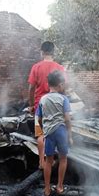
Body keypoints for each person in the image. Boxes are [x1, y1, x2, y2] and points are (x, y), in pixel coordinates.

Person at [28, 41, 65, 169]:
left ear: (42, 52)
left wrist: (32, 105)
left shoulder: (36, 67)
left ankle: (41, 162)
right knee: (56, 131)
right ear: (53, 52)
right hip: (56, 105)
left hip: (40, 104)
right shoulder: (60, 68)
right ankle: (56, 159)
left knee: (41, 134)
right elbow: (63, 88)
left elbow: (31, 88)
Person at [36, 70, 72, 196]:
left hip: (49, 133)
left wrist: (43, 129)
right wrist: (70, 135)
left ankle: (46, 189)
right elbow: (67, 119)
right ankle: (60, 186)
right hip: (61, 131)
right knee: (63, 158)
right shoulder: (64, 99)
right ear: (60, 85)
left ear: (48, 84)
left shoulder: (42, 99)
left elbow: (39, 119)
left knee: (48, 161)